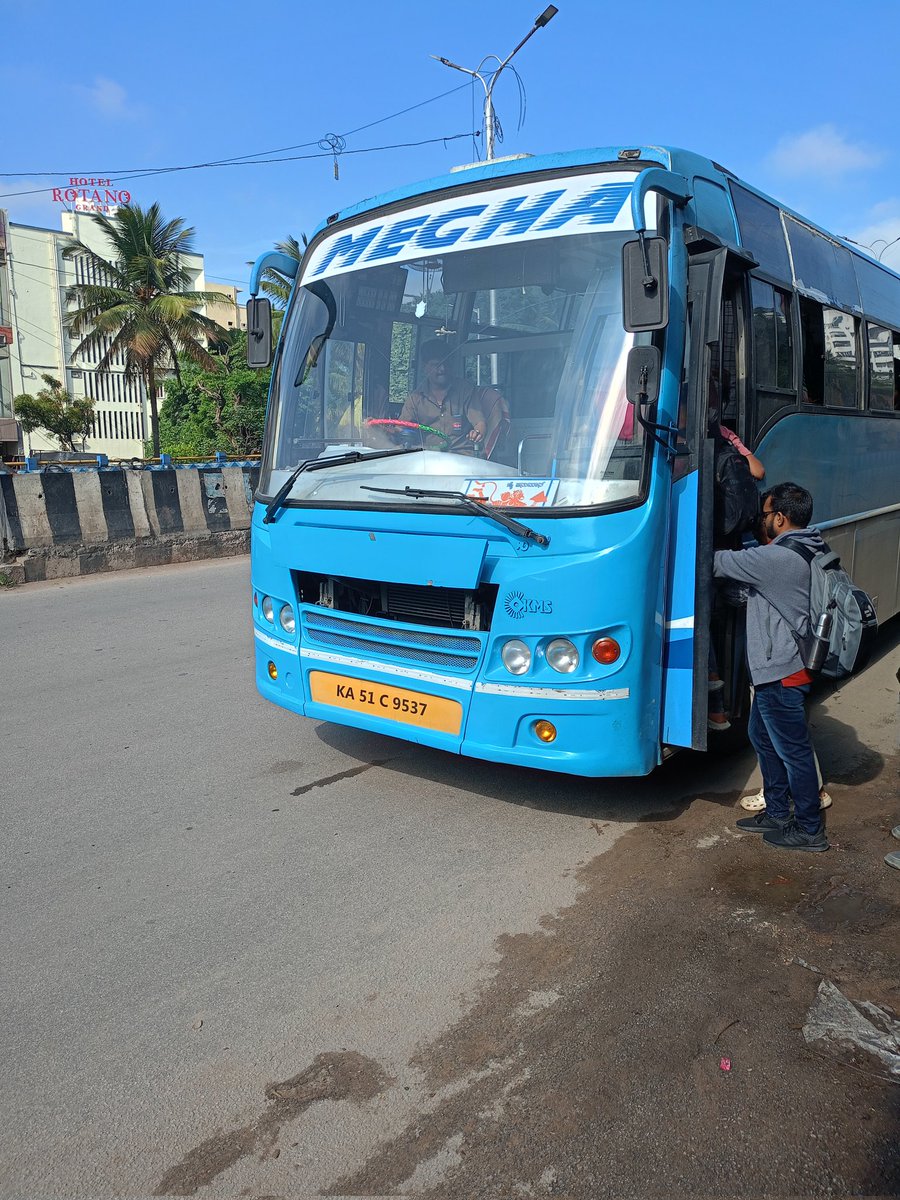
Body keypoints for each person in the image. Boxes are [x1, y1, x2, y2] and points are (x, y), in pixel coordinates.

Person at [713, 481, 830, 852]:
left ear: (780, 517)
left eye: (763, 515)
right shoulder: (807, 547)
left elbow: (716, 562)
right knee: (763, 738)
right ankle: (778, 811)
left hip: (783, 669)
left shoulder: (776, 558)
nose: (760, 521)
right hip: (779, 667)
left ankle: (810, 829)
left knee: (792, 750)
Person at [400, 340, 508, 455]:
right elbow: (402, 427)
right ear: (425, 367)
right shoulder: (415, 398)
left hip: (463, 457)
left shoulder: (465, 390)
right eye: (436, 365)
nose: (442, 369)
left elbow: (480, 424)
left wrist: (477, 433)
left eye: (446, 364)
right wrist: (392, 430)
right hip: (428, 458)